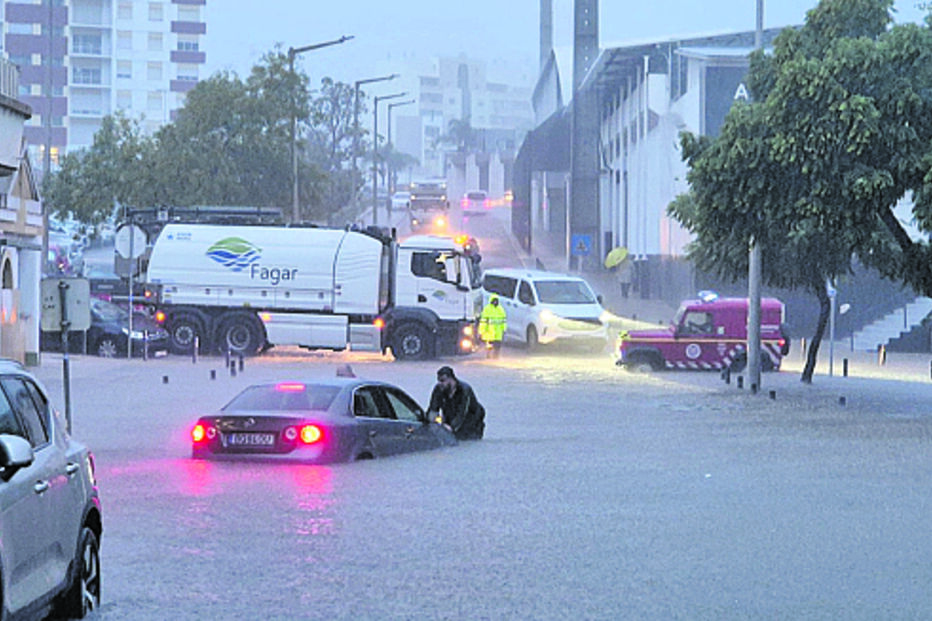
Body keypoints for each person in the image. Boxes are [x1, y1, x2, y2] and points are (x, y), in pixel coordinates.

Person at [427, 366, 485, 440]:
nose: (440, 383)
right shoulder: (438, 390)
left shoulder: (465, 390)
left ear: (451, 379)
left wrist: (452, 427)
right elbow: (433, 408)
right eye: (438, 380)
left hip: (472, 423)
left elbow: (462, 413)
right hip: (450, 419)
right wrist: (431, 421)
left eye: (443, 380)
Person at [478, 294, 507, 358]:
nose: (495, 302)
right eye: (494, 300)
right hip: (489, 332)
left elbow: (503, 321)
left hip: (498, 333)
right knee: (489, 346)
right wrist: (481, 331)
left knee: (497, 347)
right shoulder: (487, 309)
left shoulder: (500, 309)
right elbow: (483, 321)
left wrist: (504, 329)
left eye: (496, 300)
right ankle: (488, 356)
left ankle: (495, 357)